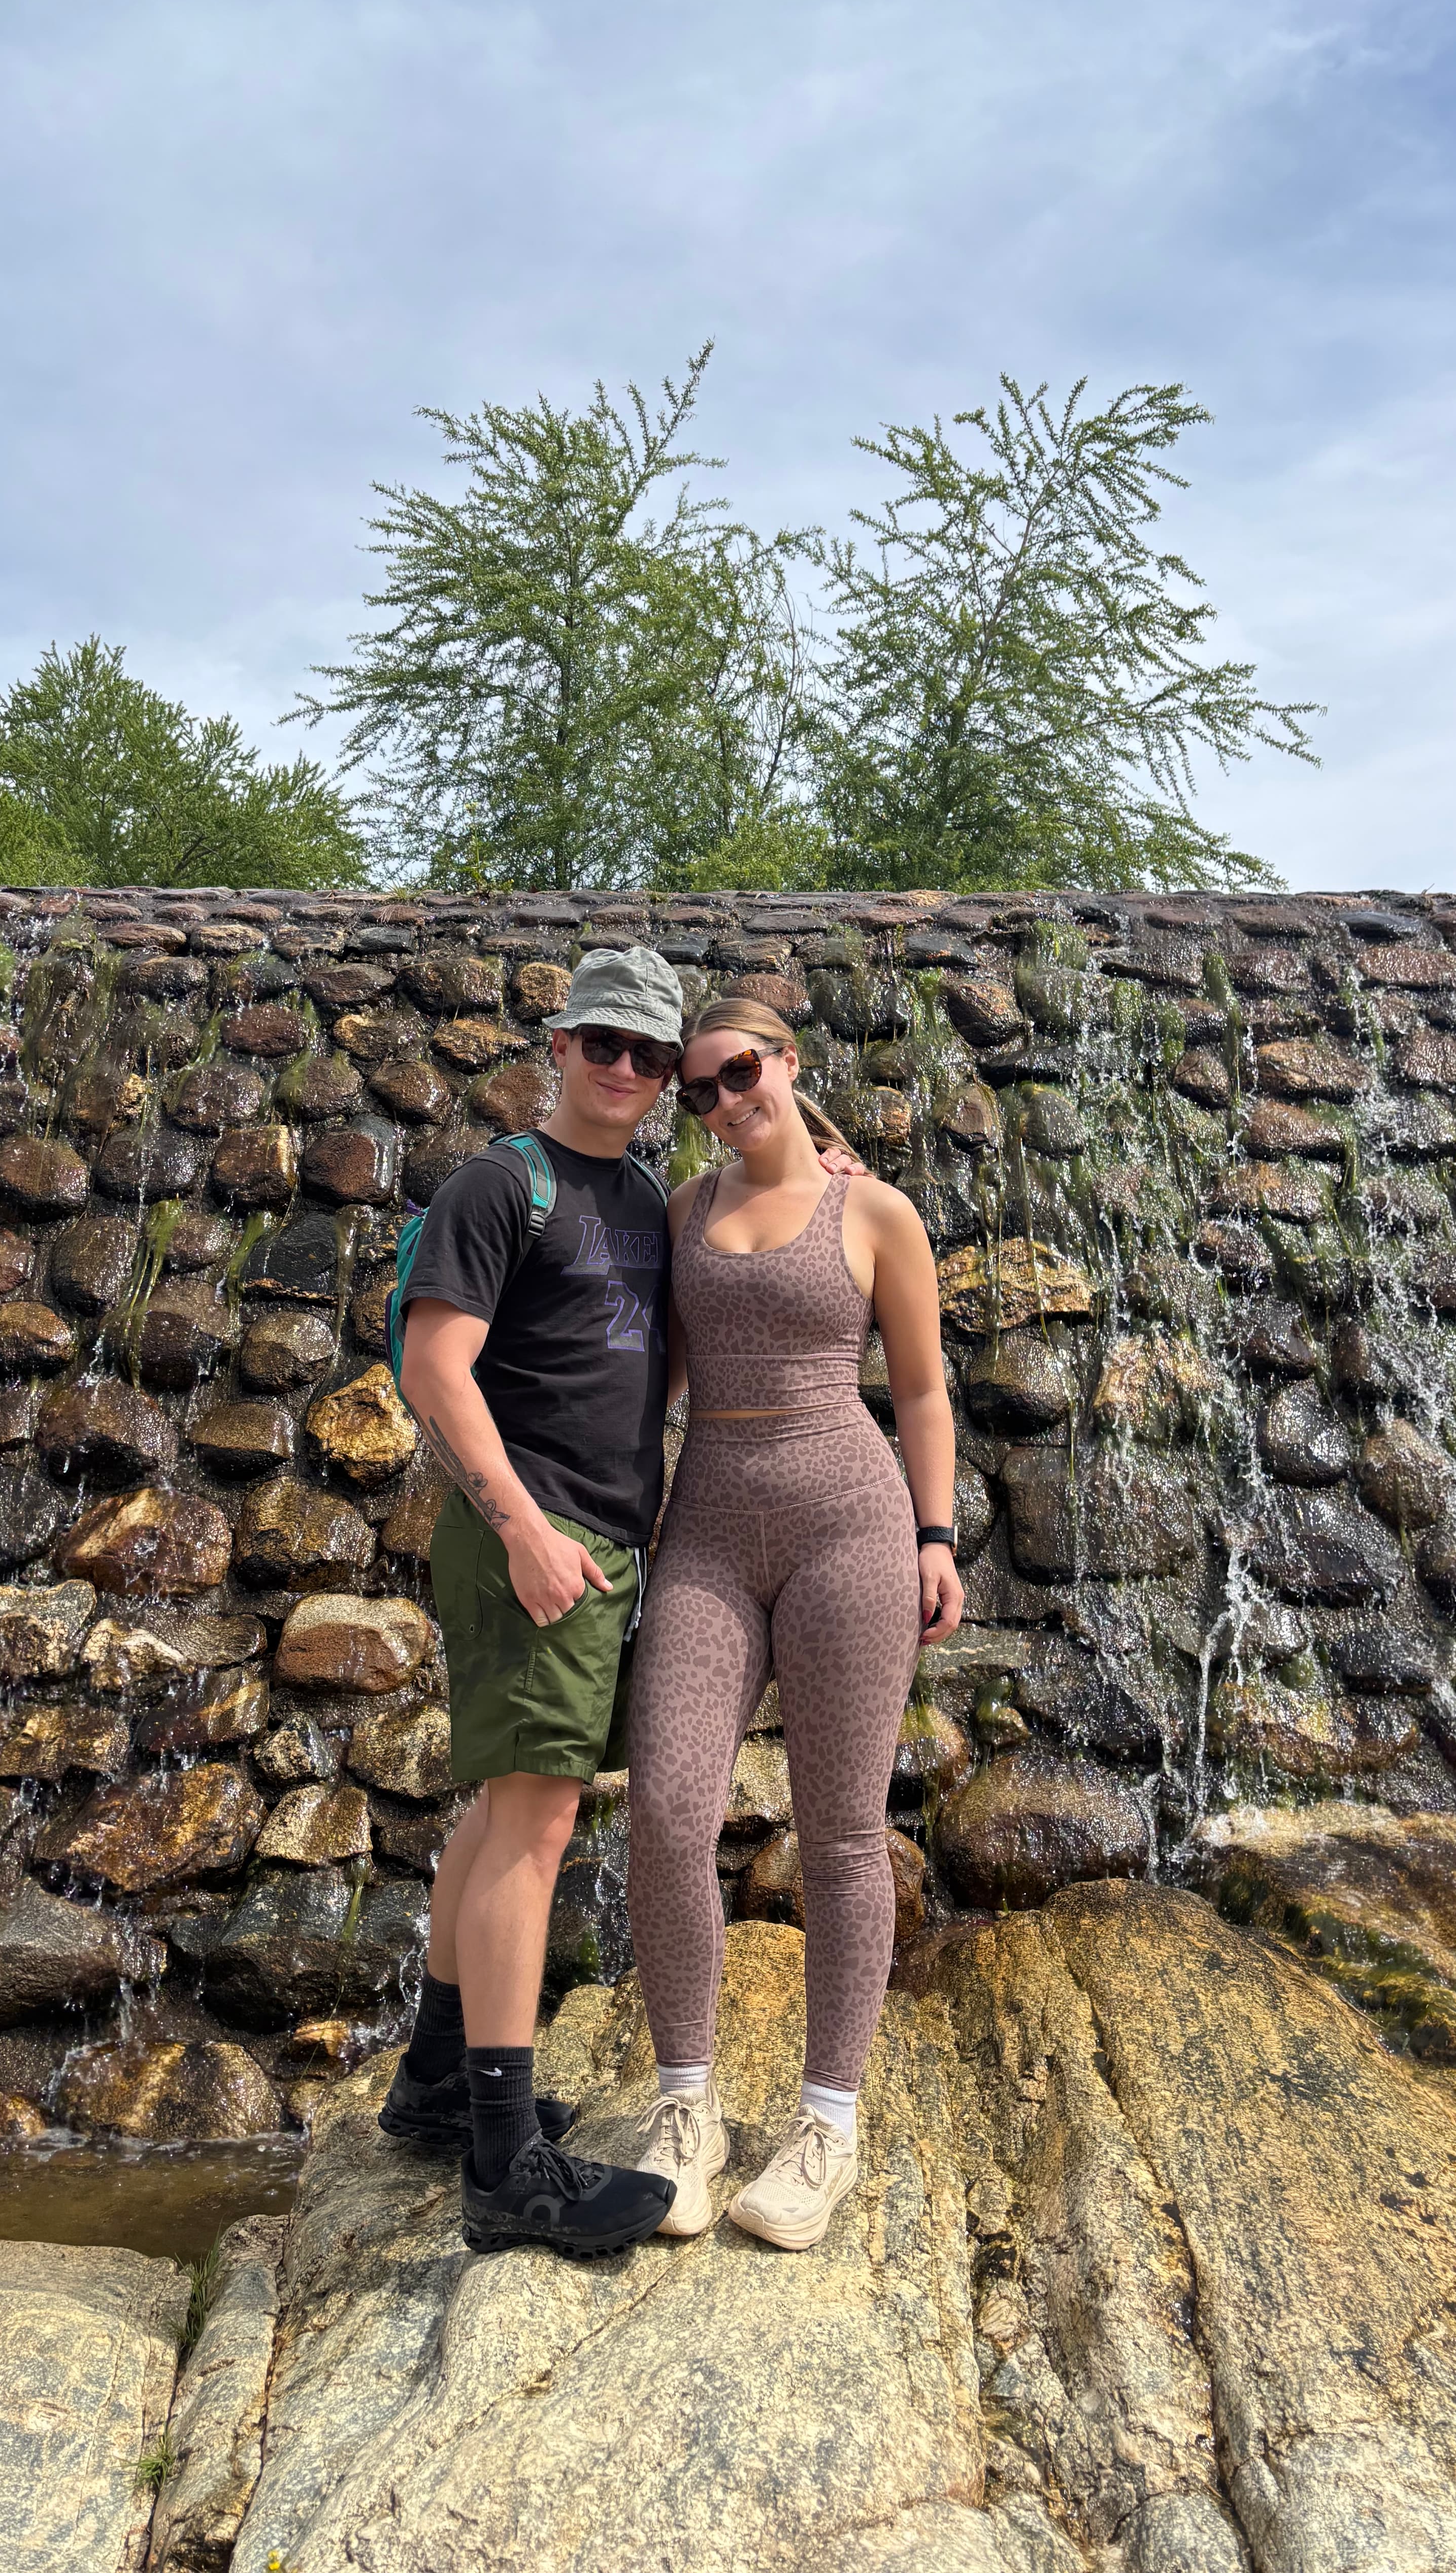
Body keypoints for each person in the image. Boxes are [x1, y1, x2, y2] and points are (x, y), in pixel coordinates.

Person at [383, 948, 857, 2257]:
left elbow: (757, 1249)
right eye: (608, 1043)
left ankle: (432, 2082)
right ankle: (505, 2161)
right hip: (535, 1539)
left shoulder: (649, 1198)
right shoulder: (502, 1183)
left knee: (505, 1813)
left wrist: (835, 1187)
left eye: (658, 1060)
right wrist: (524, 1530)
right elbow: (435, 1368)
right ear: (560, 1042)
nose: (631, 1072)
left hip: (603, 1543)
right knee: (535, 1830)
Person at [626, 995, 964, 2251]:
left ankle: (827, 2120)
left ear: (789, 1065)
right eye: (699, 1088)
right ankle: (686, 2113)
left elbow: (921, 1388)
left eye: (742, 1072)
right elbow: (650, 1373)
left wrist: (936, 1536)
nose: (723, 1100)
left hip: (851, 1533)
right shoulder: (682, 1211)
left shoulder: (873, 1211)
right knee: (665, 1805)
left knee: (841, 1832)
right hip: (708, 1529)